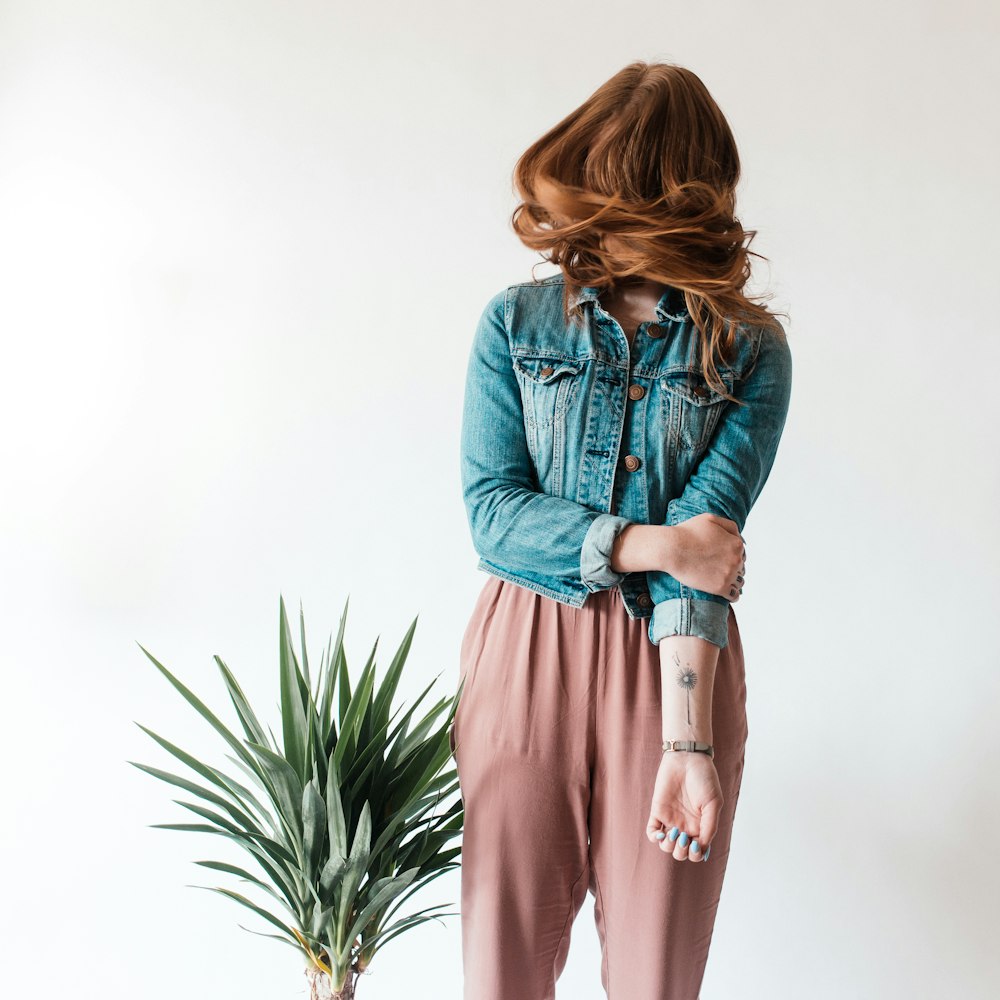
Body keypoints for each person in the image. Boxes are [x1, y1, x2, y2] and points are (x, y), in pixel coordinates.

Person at [449, 60, 793, 1000]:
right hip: (528, 642)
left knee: (655, 979)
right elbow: (494, 516)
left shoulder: (748, 347)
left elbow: (709, 554)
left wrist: (689, 747)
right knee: (502, 971)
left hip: (678, 659)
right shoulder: (515, 324)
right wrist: (652, 544)